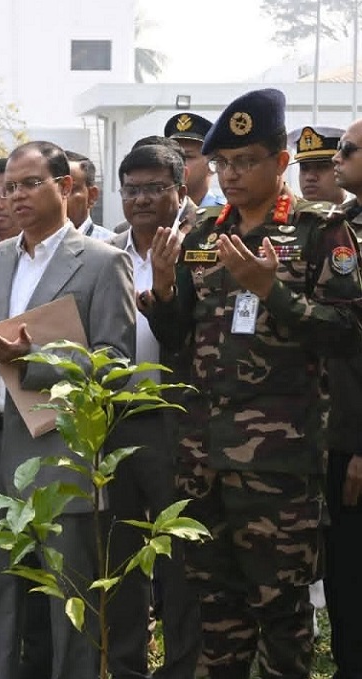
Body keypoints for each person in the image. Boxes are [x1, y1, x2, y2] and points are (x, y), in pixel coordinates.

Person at [141, 89, 362, 679]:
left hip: (279, 462)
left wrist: (271, 291)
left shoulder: (322, 231)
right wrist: (162, 292)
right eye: (223, 164)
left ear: (281, 163)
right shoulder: (205, 232)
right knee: (218, 608)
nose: (232, 175)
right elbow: (177, 338)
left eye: (247, 161)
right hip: (204, 453)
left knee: (281, 611)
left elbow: (347, 333)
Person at [0, 140, 136, 679]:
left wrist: (35, 362)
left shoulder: (103, 262)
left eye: (30, 184)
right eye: (7, 188)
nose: (15, 196)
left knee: (68, 603)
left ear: (66, 188)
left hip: (58, 453)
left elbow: (116, 362)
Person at [106, 143, 200, 679]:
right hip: (115, 422)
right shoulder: (107, 253)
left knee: (180, 561)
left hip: (176, 423)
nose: (142, 200)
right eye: (132, 189)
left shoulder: (200, 249)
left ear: (179, 192)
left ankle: (183, 668)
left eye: (155, 188)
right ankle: (126, 667)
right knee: (120, 559)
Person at [325, 117, 362, 679]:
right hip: (336, 436)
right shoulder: (338, 227)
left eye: (348, 150)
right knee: (346, 574)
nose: (336, 158)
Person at [164, 112, 226, 208]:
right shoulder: (159, 214)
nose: (176, 162)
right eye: (172, 155)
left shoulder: (225, 215)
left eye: (187, 157)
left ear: (213, 164)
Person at [289, 126, 347, 204]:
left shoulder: (357, 213)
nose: (309, 177)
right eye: (304, 168)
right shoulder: (287, 215)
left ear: (344, 168)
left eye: (322, 167)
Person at [64, 150, 114, 241]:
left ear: (92, 196)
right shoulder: (33, 247)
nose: (59, 198)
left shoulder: (113, 246)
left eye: (68, 190)